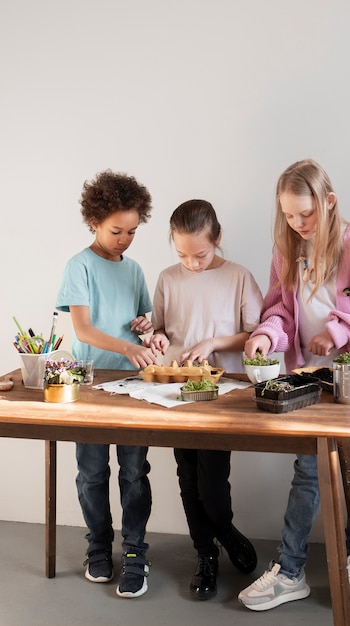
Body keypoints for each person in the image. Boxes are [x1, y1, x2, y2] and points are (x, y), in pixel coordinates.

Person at [238, 159, 350, 612]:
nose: (298, 224)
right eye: (289, 215)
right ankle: (290, 571)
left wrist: (337, 332)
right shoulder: (287, 249)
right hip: (309, 380)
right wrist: (263, 335)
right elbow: (280, 312)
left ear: (329, 202)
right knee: (308, 472)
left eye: (306, 214)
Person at [143, 199, 264, 600]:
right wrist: (153, 336)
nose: (191, 263)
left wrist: (213, 341)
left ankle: (225, 531)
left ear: (218, 240)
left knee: (212, 479)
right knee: (187, 476)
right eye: (182, 255)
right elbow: (159, 330)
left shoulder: (239, 277)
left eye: (201, 254)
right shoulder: (167, 278)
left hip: (223, 392)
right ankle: (205, 553)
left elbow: (257, 333)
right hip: (177, 390)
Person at [56, 170, 159, 598]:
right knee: (91, 474)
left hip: (134, 385)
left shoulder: (134, 270)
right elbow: (83, 330)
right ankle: (99, 544)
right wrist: (127, 346)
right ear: (94, 221)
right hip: (92, 384)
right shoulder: (78, 266)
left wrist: (146, 328)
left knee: (134, 472)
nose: (124, 239)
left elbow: (148, 326)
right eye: (116, 230)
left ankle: (135, 550)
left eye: (132, 231)